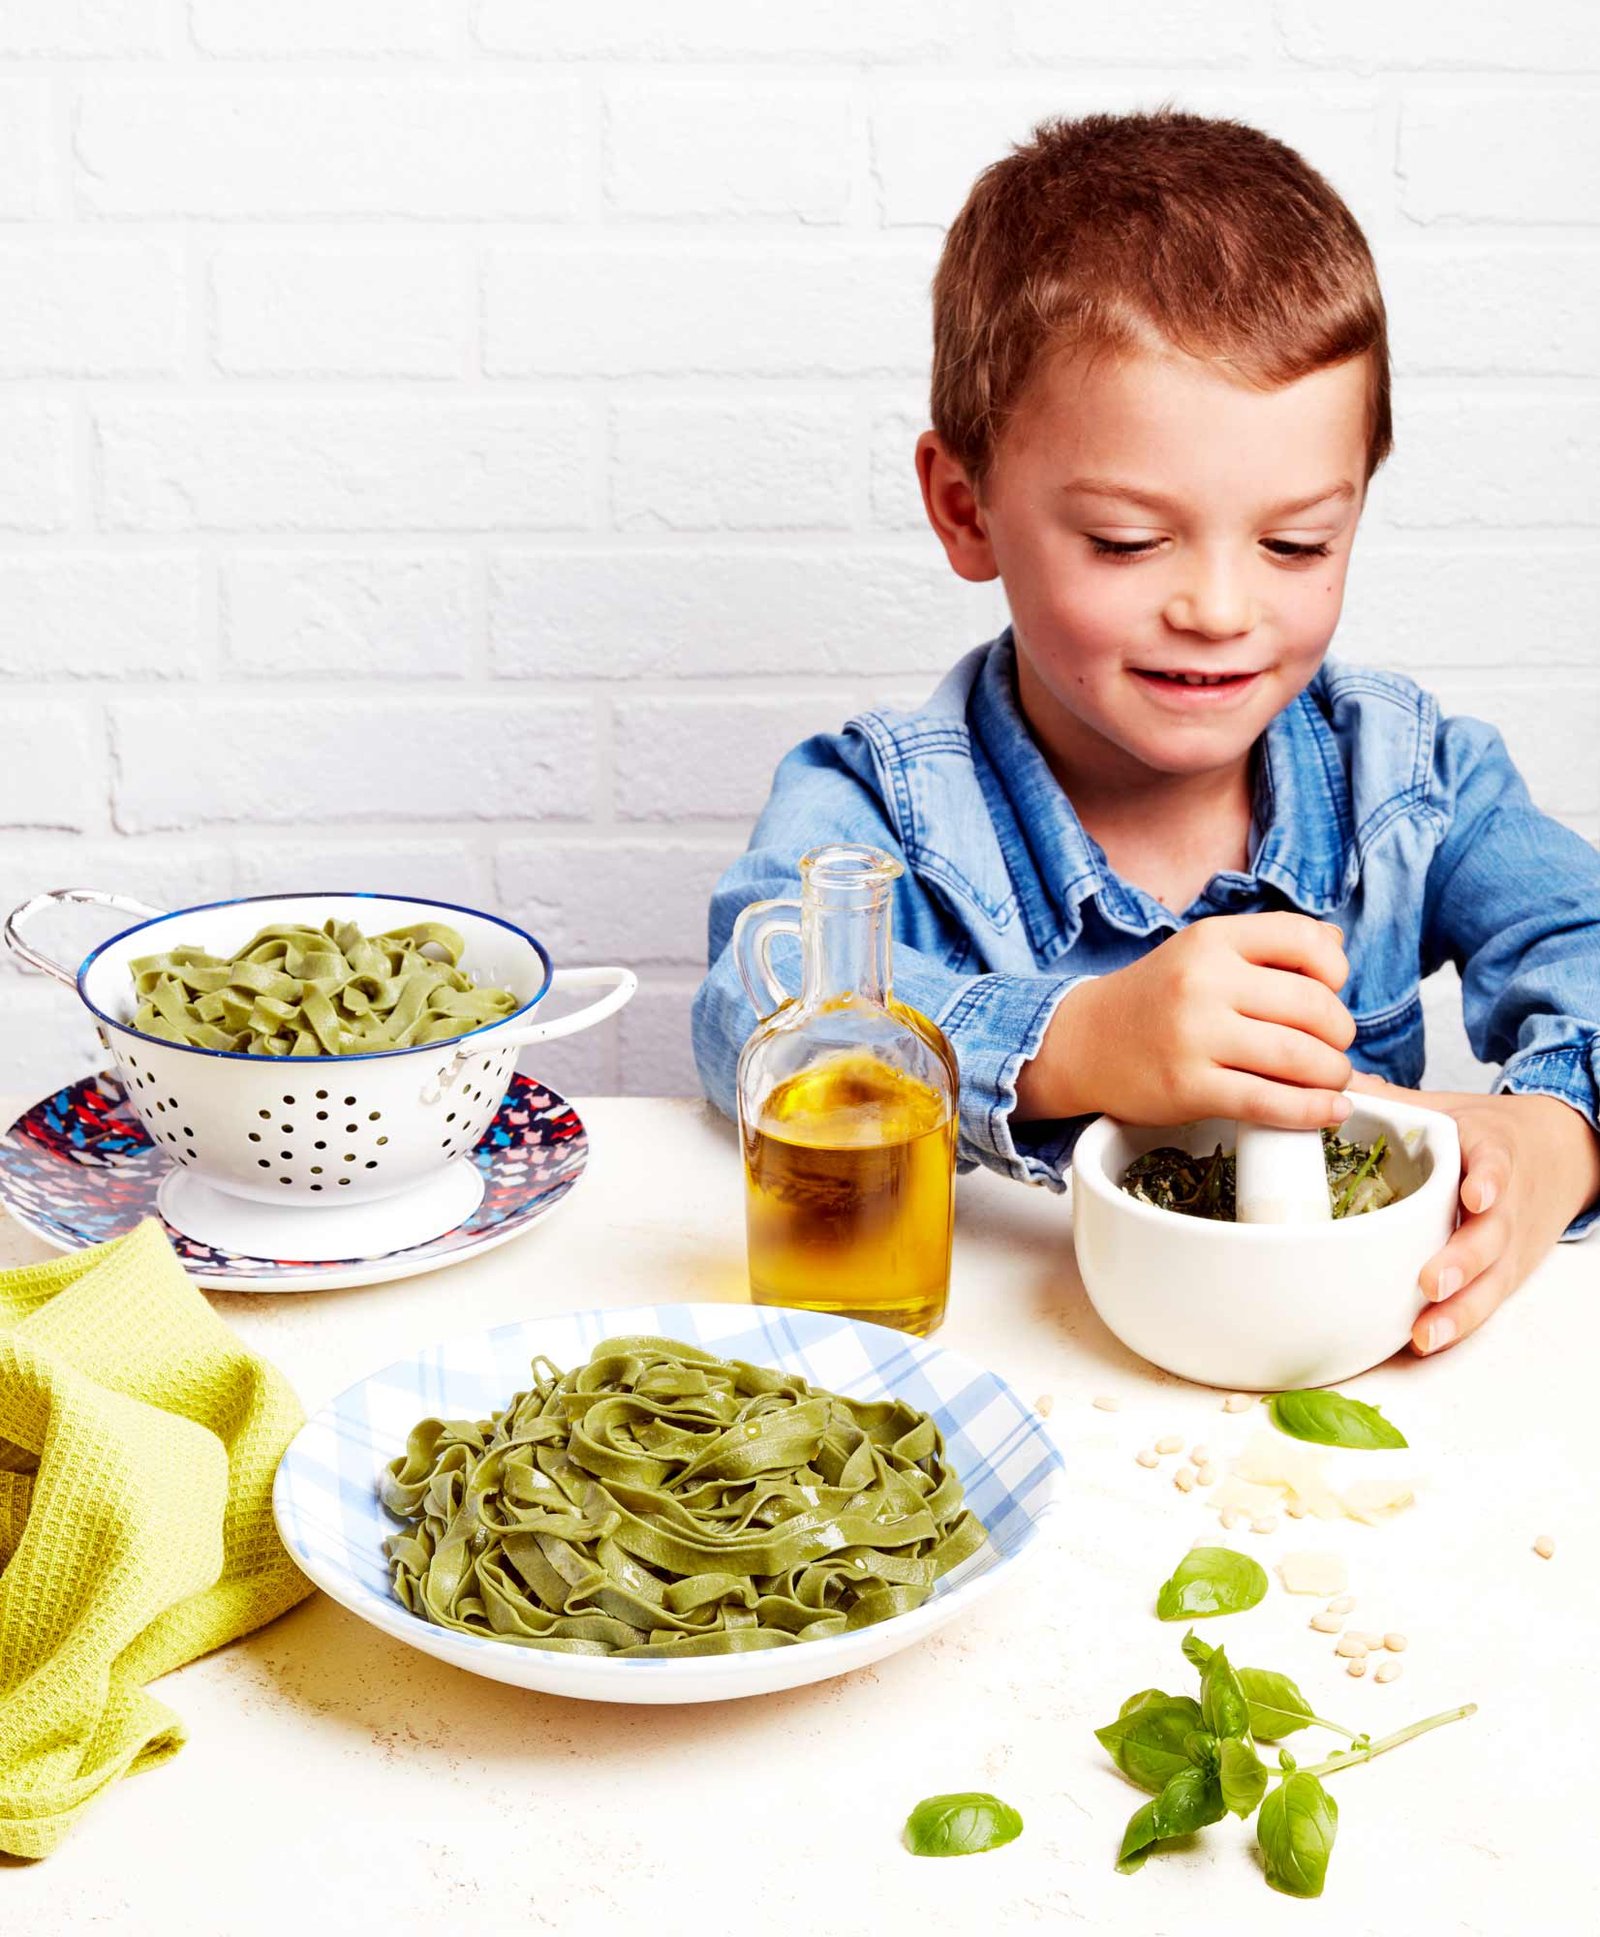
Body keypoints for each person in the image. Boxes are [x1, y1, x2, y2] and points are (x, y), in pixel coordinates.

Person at [692, 110, 1600, 1355]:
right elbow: (747, 1006)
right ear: (966, 510)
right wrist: (1072, 1045)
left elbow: (1584, 941)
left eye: (1297, 543)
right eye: (1126, 540)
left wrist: (1559, 1135)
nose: (1219, 609)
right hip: (1002, 1381)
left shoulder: (1409, 777)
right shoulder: (881, 800)